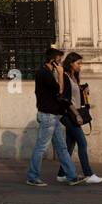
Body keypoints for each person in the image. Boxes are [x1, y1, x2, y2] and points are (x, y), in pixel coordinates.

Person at [26, 44, 83, 186]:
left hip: (53, 116)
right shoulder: (44, 74)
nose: (60, 63)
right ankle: (32, 176)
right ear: (53, 60)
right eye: (59, 59)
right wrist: (60, 74)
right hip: (48, 116)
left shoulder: (47, 73)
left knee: (62, 147)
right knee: (41, 147)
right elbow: (60, 91)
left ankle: (71, 176)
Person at [57, 52, 102, 185]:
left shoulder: (74, 76)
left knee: (70, 145)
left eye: (81, 63)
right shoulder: (65, 77)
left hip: (74, 113)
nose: (80, 66)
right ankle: (88, 174)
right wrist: (77, 115)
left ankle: (61, 173)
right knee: (82, 143)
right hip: (68, 114)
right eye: (78, 63)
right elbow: (65, 99)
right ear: (71, 63)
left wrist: (83, 88)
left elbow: (75, 94)